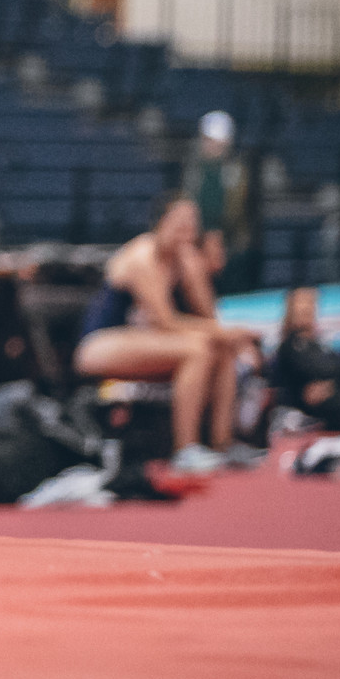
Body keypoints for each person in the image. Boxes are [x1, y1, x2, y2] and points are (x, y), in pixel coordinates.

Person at [72, 197, 263, 473]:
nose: (187, 230)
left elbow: (207, 315)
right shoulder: (142, 255)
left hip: (142, 341)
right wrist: (226, 332)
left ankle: (223, 443)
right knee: (198, 349)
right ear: (161, 223)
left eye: (192, 225)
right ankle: (185, 450)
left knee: (219, 348)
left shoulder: (183, 260)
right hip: (100, 343)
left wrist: (196, 272)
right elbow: (166, 322)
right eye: (180, 223)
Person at [271, 286, 340, 419]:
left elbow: (335, 366)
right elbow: (318, 370)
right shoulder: (290, 346)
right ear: (290, 308)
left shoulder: (321, 346)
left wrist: (332, 384)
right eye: (300, 303)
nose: (306, 308)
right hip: (314, 417)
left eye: (310, 302)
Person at [181, 110, 253, 293]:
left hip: (229, 244)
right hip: (196, 241)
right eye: (209, 141)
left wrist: (220, 241)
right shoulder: (192, 171)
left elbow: (238, 213)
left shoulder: (236, 172)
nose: (212, 146)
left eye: (217, 142)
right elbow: (187, 205)